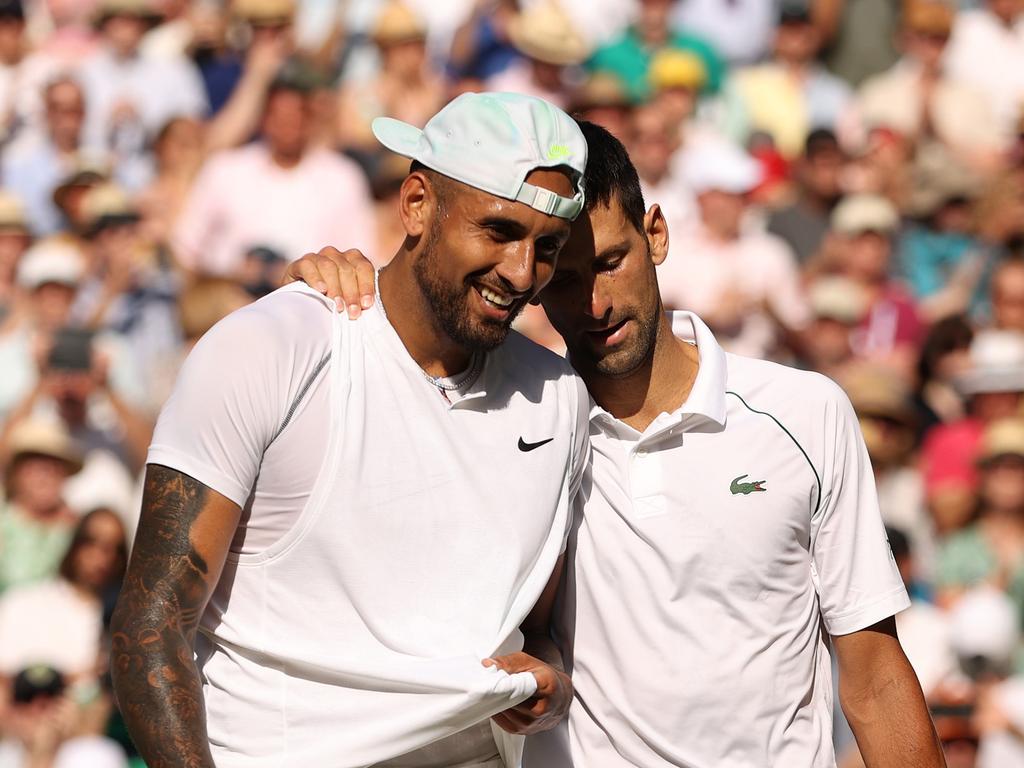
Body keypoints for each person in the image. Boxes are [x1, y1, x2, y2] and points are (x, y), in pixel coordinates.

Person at [291, 120, 946, 768]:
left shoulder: (806, 414)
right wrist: (353, 285)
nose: (596, 303)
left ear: (655, 234)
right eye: (565, 282)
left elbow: (874, 677)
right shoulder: (511, 420)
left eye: (610, 262)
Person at [111, 92, 591, 768]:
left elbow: (536, 632)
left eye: (548, 248)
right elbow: (151, 626)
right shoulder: (271, 346)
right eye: (500, 231)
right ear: (417, 203)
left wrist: (550, 684)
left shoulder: (561, 398)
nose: (522, 273)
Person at [172, 73, 378, 276]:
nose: (287, 126)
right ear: (264, 120)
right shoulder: (225, 169)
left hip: (310, 299)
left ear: (310, 119)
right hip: (228, 298)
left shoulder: (342, 177)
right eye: (278, 117)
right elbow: (185, 246)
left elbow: (359, 252)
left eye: (295, 117)